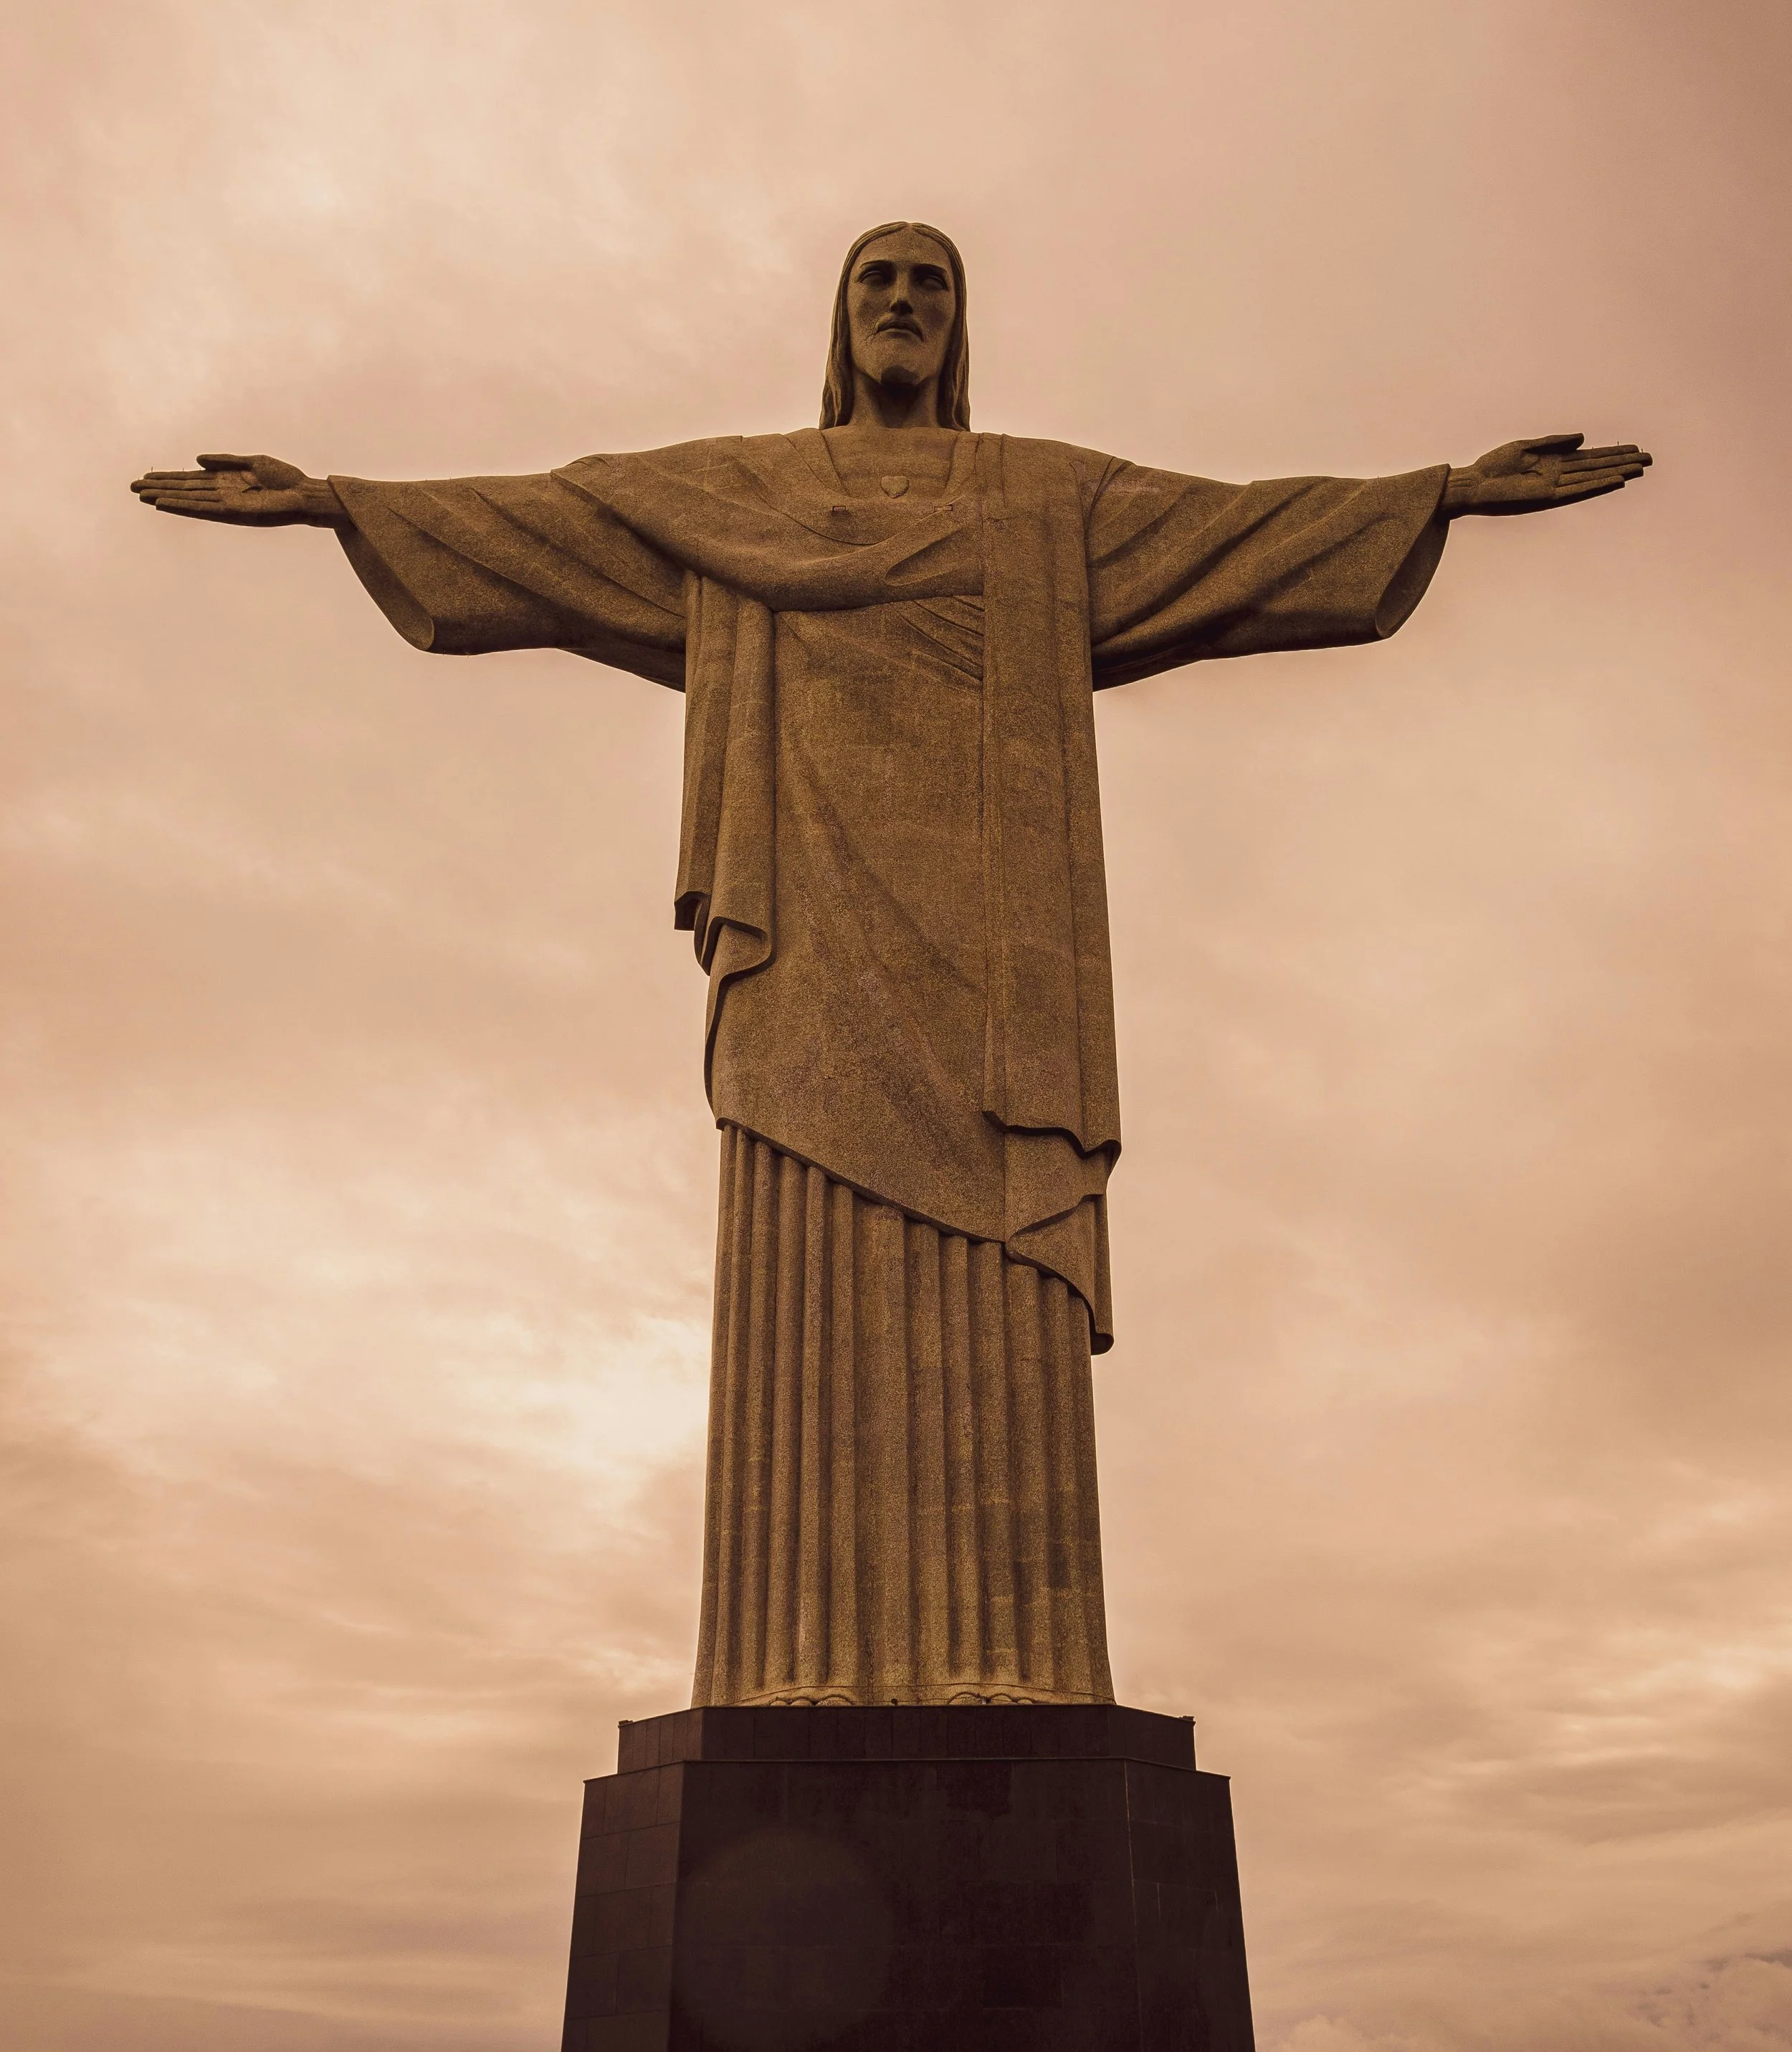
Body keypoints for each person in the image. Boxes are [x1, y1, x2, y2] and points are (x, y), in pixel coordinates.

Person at [133, 222, 1649, 1709]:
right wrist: (338, 502)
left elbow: (1229, 531)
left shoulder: (1039, 502)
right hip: (801, 936)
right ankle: (785, 1657)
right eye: (879, 281)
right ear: (840, 319)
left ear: (959, 323)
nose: (904, 304)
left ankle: (1020, 1666)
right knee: (803, 1258)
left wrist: (1440, 494)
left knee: (997, 1252)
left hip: (996, 954)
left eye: (931, 283)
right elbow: (551, 522)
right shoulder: (740, 494)